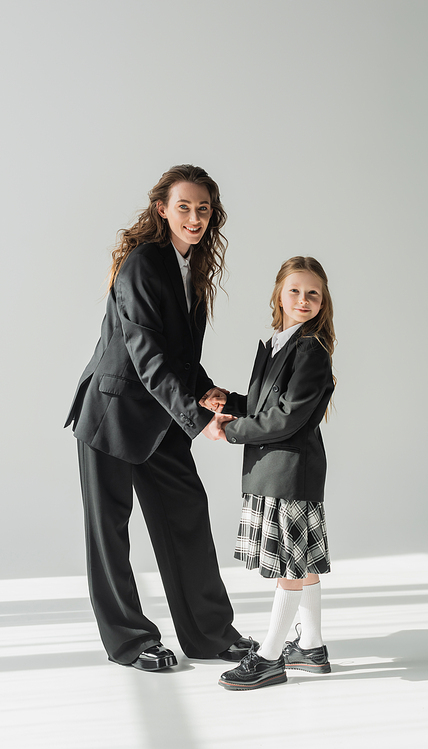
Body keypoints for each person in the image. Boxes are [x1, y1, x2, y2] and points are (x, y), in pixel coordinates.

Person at [65, 165, 255, 671]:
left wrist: (205, 390)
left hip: (160, 415)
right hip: (111, 414)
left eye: (204, 209)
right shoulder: (144, 264)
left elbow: (178, 356)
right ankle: (131, 641)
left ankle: (210, 634)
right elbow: (147, 355)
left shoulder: (190, 267)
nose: (195, 218)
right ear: (162, 210)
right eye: (184, 207)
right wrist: (198, 418)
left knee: (186, 515)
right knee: (110, 533)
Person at [201, 256, 336, 690]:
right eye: (295, 290)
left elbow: (288, 418)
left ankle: (271, 656)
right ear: (279, 293)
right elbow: (268, 407)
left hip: (288, 471)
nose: (303, 299)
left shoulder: (311, 350)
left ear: (322, 302)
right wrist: (233, 402)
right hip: (277, 469)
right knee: (302, 560)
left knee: (289, 567)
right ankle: (310, 647)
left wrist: (231, 430)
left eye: (312, 293)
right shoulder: (280, 343)